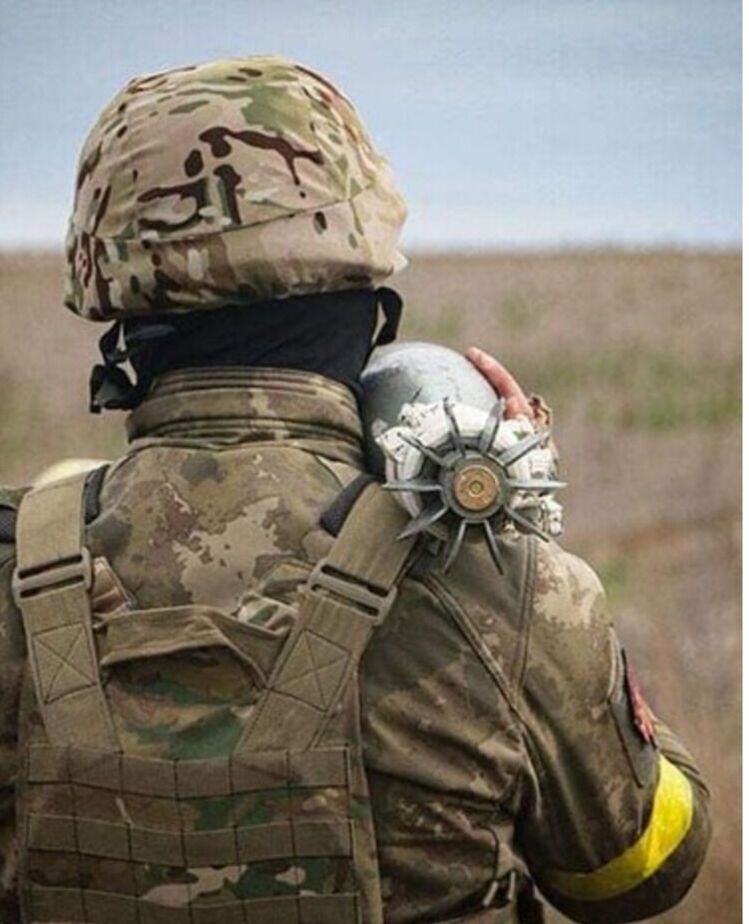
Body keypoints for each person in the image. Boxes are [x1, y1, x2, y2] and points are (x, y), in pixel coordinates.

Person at [0, 56, 708, 923]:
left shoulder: (18, 566)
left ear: (120, 320)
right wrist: (523, 539)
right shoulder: (501, 587)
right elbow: (638, 870)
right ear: (367, 295)